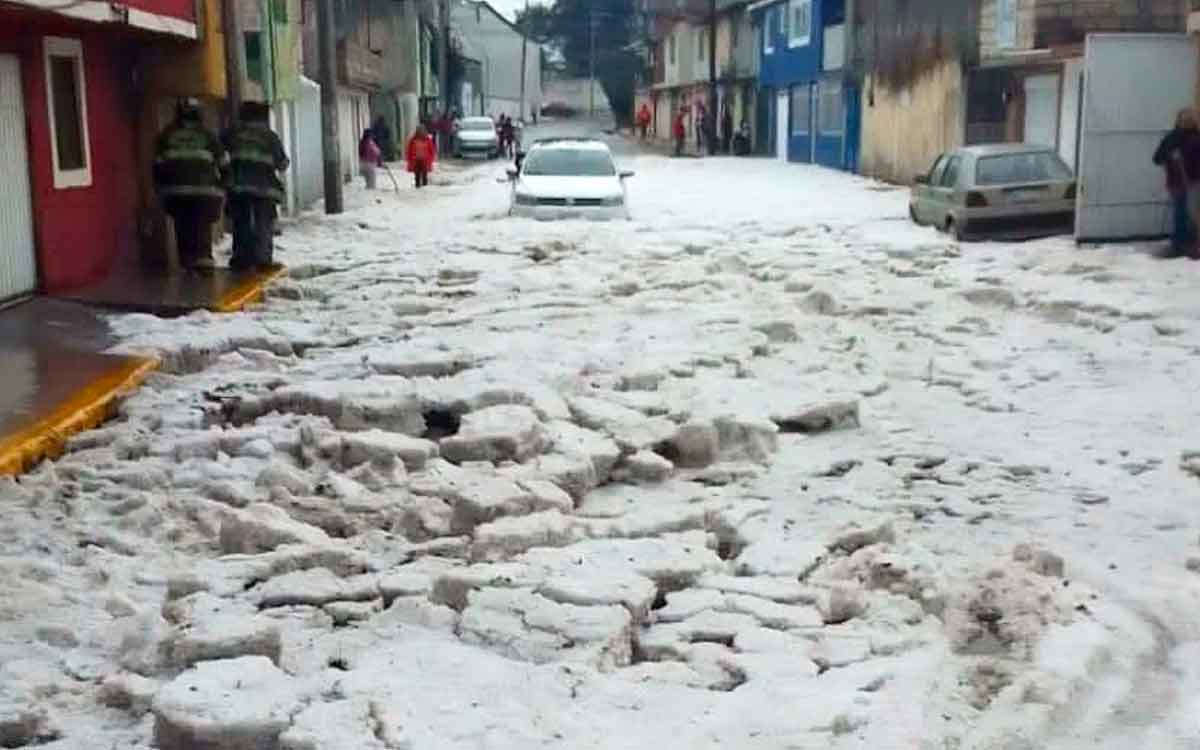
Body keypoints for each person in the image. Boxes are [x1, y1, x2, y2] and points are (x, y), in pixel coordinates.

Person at [153, 99, 226, 271]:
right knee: (202, 226)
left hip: (175, 191)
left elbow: (158, 166)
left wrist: (159, 188)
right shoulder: (208, 136)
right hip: (205, 191)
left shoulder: (166, 135)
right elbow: (223, 163)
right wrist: (223, 184)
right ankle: (204, 262)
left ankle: (187, 263)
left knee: (182, 226)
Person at [222, 101, 289, 271]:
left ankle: (241, 259)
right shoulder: (270, 137)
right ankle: (263, 259)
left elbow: (218, 152)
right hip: (265, 189)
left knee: (241, 222)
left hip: (238, 187)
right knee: (264, 223)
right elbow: (282, 163)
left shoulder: (232, 134)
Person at [1154, 108, 1199, 257]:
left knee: (1191, 212)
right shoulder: (1171, 138)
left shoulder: (1197, 137)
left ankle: (1192, 243)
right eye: (1184, 118)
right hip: (1177, 182)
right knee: (1181, 212)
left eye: (1190, 119)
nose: (1187, 121)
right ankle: (1180, 244)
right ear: (1178, 120)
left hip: (1195, 181)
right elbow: (1157, 158)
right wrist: (1170, 156)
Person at [407, 124, 437, 189]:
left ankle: (425, 189)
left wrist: (431, 159)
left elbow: (432, 150)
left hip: (425, 160)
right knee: (417, 176)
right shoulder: (413, 140)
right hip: (416, 160)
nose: (420, 132)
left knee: (424, 176)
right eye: (419, 130)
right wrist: (409, 159)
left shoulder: (428, 139)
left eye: (422, 130)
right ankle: (417, 189)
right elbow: (409, 150)